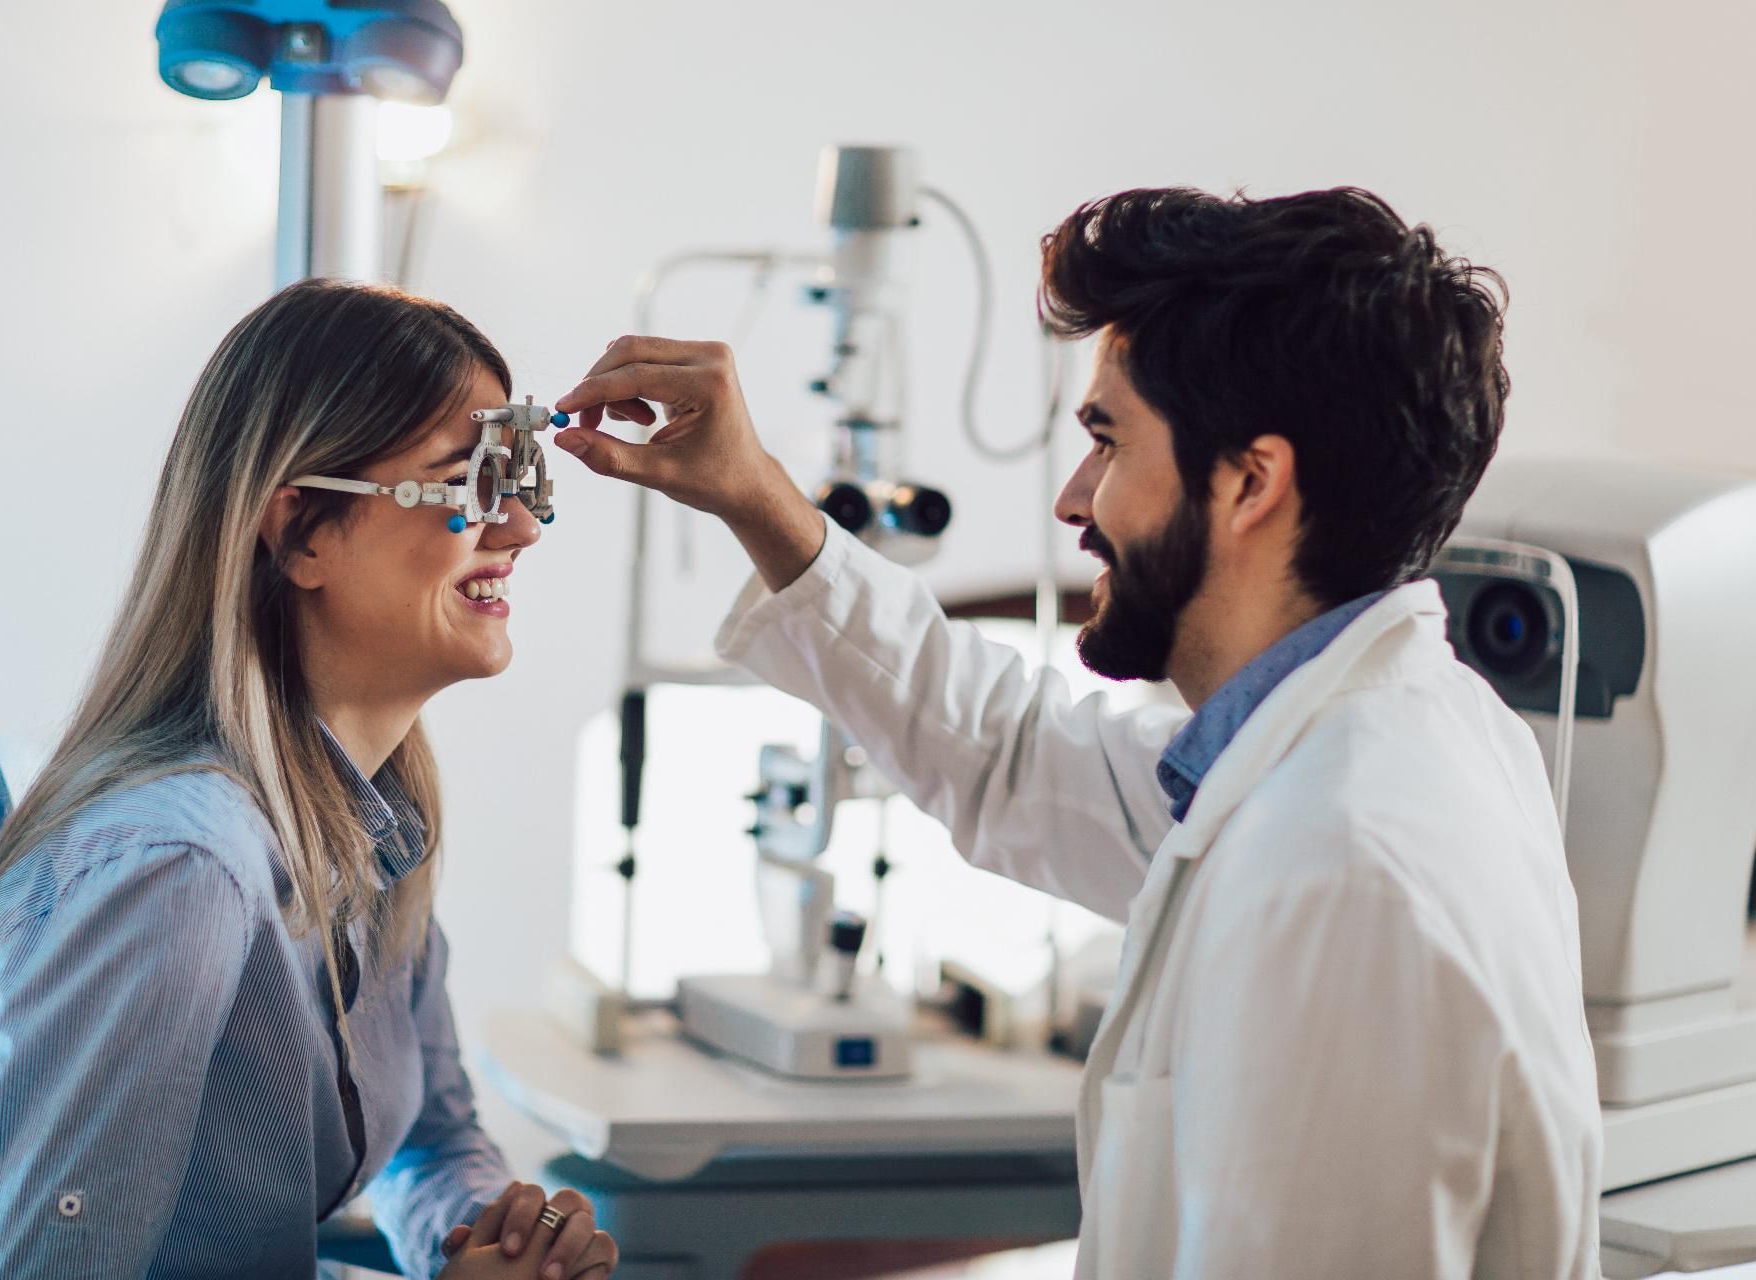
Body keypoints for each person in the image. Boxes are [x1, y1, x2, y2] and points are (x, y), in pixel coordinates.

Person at [550, 187, 1604, 1277]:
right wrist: (757, 497)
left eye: (1107, 439)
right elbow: (1011, 754)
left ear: (1251, 482)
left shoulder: (1340, 867)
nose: (1071, 498)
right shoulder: (1346, 751)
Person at [0, 280, 617, 1280]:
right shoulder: (177, 866)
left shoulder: (382, 829)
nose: (523, 529)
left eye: (521, 481)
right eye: (473, 484)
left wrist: (498, 1234)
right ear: (301, 533)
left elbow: (429, 1144)